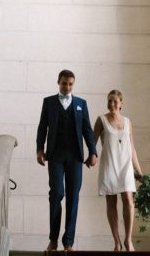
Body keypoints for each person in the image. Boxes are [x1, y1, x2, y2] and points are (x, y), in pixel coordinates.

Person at [36, 69, 98, 252]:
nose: (67, 87)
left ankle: (68, 242)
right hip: (55, 156)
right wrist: (40, 149)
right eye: (64, 83)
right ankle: (53, 240)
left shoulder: (81, 104)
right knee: (56, 194)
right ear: (58, 82)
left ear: (73, 84)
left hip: (75, 157)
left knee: (73, 197)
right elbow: (42, 128)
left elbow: (87, 130)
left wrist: (93, 152)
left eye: (70, 84)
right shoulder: (48, 102)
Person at [93, 90, 144, 251]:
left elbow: (132, 148)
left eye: (115, 101)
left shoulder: (128, 122)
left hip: (125, 165)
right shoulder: (101, 120)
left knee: (128, 199)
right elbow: (91, 143)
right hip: (109, 164)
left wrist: (139, 171)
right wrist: (91, 156)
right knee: (111, 201)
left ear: (121, 103)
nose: (112, 104)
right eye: (109, 101)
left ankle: (128, 240)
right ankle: (116, 241)